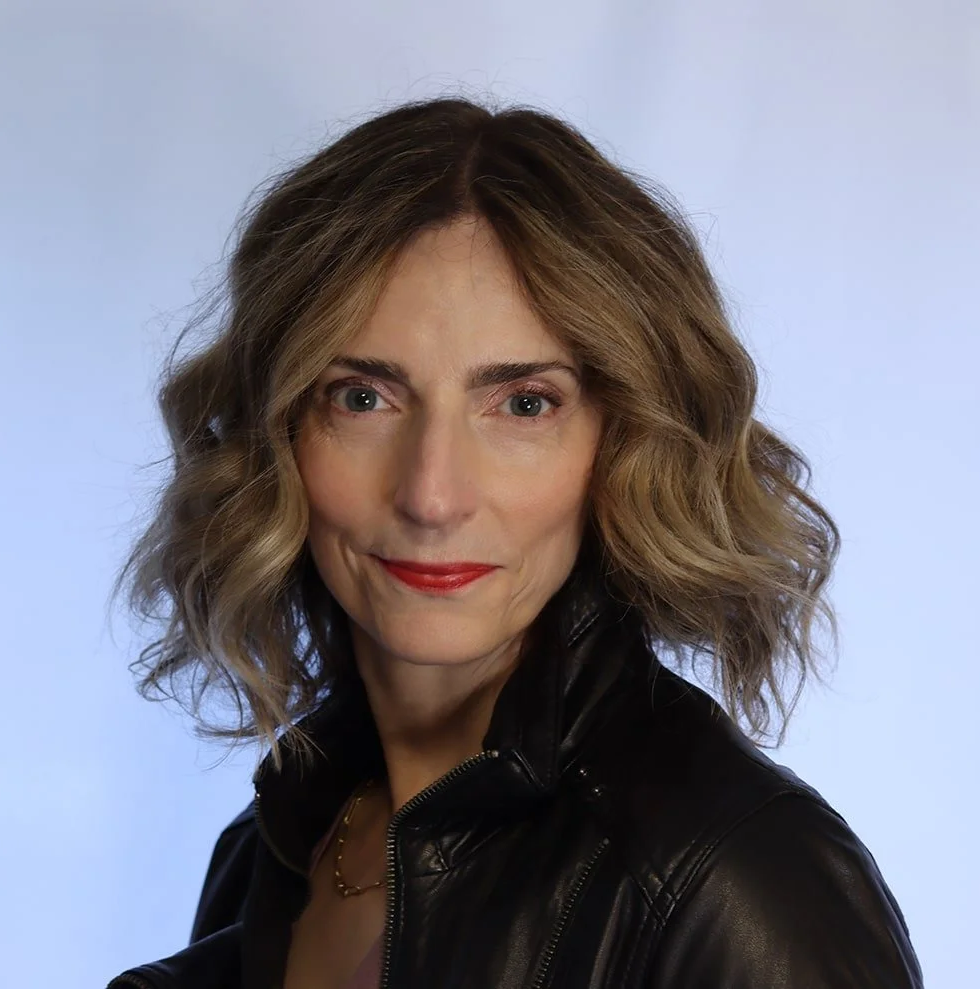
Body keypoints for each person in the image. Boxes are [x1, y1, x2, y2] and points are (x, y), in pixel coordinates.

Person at [106, 95, 923, 989]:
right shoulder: (276, 843)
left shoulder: (736, 878)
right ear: (278, 435)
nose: (432, 494)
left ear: (623, 444)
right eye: (362, 397)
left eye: (524, 403)